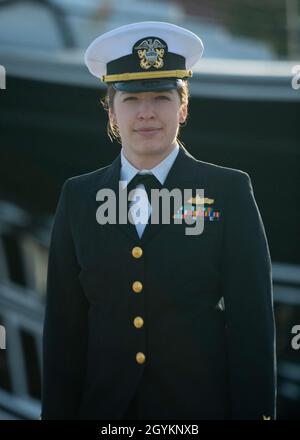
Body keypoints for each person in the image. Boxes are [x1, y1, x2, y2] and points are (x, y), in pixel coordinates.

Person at [41, 21, 276, 420]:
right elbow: (64, 331)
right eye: (131, 99)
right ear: (111, 109)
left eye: (161, 97)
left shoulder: (228, 192)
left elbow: (251, 327)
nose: (146, 113)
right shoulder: (78, 198)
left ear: (183, 107)